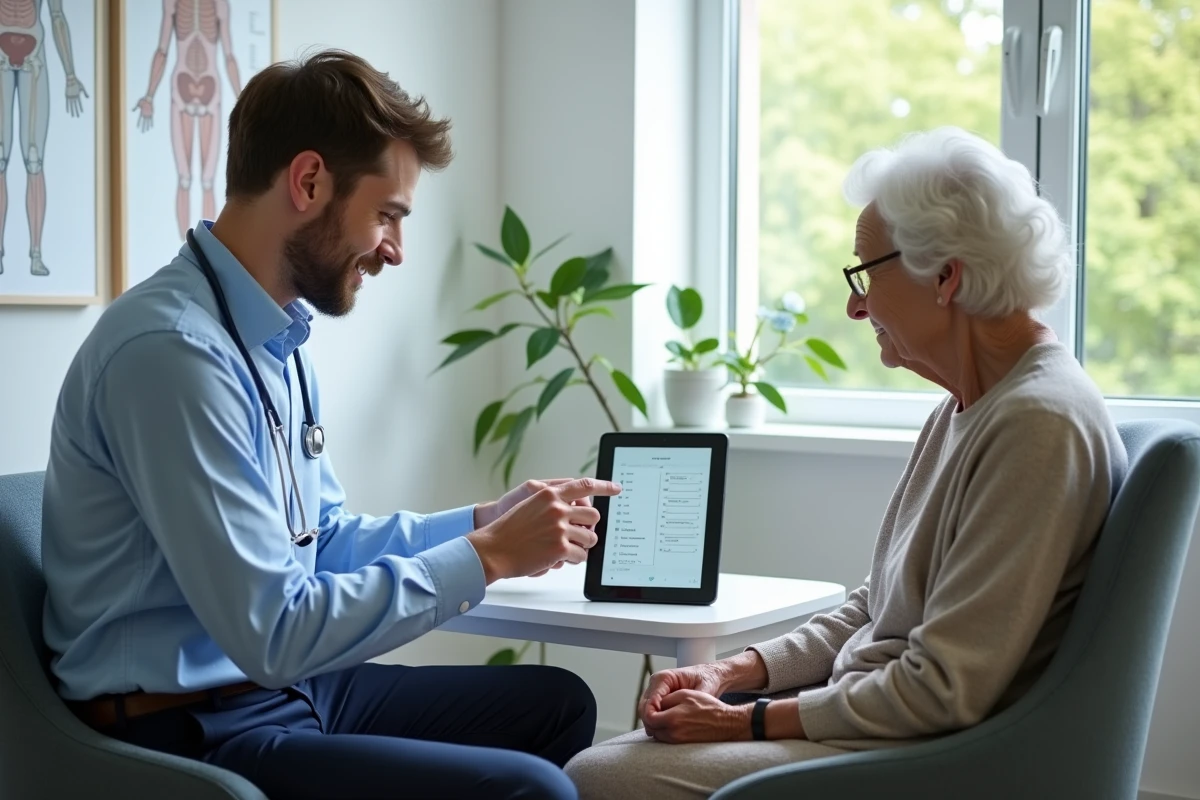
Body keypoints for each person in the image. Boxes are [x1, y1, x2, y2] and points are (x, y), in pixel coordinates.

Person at [41, 49, 620, 800]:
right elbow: (275, 631)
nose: (396, 250)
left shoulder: (273, 339)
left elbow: (324, 541)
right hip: (187, 728)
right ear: (309, 181)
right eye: (387, 215)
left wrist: (482, 522)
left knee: (558, 705)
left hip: (281, 690)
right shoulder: (173, 356)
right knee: (531, 790)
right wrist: (486, 556)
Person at [565, 126, 1129, 799]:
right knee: (611, 759)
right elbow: (878, 607)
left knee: (598, 777)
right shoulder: (969, 405)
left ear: (945, 275)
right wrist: (736, 673)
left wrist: (750, 723)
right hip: (872, 718)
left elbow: (943, 689)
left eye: (865, 273)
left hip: (925, 753)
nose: (855, 305)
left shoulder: (1039, 423)